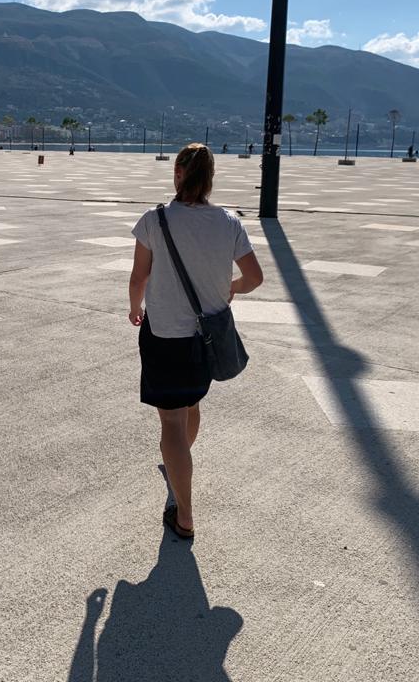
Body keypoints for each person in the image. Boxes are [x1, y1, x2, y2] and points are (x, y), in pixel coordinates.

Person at [128, 143, 263, 541]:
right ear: (210, 178)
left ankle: (184, 514)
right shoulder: (229, 222)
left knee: (170, 419)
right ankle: (178, 462)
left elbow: (138, 277)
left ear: (178, 174)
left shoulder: (154, 220)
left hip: (164, 334)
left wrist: (134, 308)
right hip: (206, 339)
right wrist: (230, 289)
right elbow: (254, 278)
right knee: (191, 406)